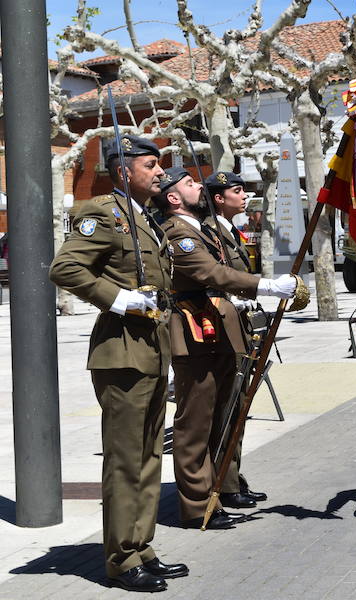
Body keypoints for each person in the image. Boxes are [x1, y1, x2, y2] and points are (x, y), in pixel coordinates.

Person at [49, 135, 188, 592]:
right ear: (124, 169)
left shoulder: (145, 218)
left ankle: (140, 545)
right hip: (122, 352)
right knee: (126, 460)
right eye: (150, 164)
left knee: (149, 457)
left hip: (151, 348)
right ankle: (120, 559)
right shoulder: (102, 213)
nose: (159, 172)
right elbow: (66, 268)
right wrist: (119, 299)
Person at [154, 167, 304, 530]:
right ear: (174, 198)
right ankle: (196, 506)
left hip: (213, 328)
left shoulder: (199, 229)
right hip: (192, 330)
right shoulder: (178, 233)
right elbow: (212, 275)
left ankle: (215, 493)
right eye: (190, 184)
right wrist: (268, 286)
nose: (199, 187)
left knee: (219, 416)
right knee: (196, 422)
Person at [204, 171, 269, 508]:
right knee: (229, 410)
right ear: (218, 198)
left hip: (242, 327)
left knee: (240, 409)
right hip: (225, 329)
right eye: (237, 190)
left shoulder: (229, 232)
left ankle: (234, 478)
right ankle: (226, 484)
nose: (244, 196)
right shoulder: (210, 233)